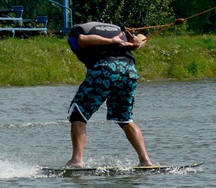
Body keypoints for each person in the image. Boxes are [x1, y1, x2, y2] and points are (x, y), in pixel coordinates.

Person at [65, 22, 152, 167]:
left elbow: (83, 40)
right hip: (129, 71)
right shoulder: (118, 29)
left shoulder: (77, 30)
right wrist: (139, 42)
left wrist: (111, 42)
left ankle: (77, 160)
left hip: (104, 69)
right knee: (125, 119)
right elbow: (141, 37)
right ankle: (145, 160)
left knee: (78, 115)